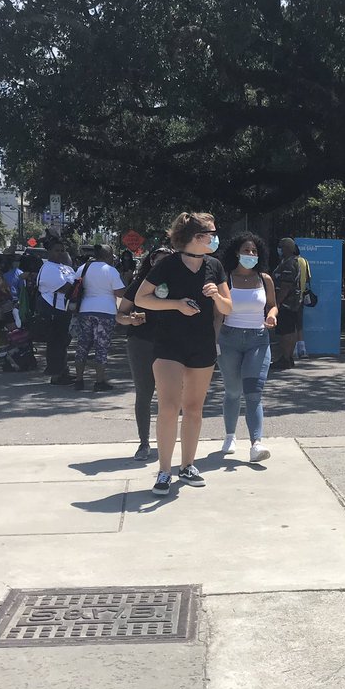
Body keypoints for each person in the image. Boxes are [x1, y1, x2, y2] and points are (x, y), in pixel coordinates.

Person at [135, 212, 232, 496]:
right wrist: (176, 304)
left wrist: (216, 296)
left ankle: (187, 465)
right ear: (196, 237)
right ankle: (164, 470)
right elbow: (142, 298)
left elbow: (228, 308)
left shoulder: (215, 265)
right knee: (168, 405)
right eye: (211, 233)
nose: (215, 238)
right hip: (169, 344)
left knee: (193, 408)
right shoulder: (168, 265)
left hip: (202, 343)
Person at [217, 233, 278, 463]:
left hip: (258, 340)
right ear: (236, 252)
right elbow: (217, 314)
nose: (251, 254)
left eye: (254, 251)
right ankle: (230, 435)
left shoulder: (265, 279)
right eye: (246, 250)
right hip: (229, 339)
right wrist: (214, 342)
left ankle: (256, 444)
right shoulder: (226, 279)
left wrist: (272, 316)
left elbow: (272, 306)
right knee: (233, 391)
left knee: (253, 393)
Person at [116, 247, 173, 461]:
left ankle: (166, 440)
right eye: (159, 260)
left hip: (171, 343)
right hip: (141, 342)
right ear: (151, 261)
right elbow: (120, 315)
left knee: (171, 395)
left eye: (169, 261)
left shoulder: (181, 285)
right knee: (144, 392)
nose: (163, 265)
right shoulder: (139, 285)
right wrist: (130, 319)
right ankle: (144, 443)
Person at [72, 245, 127, 392]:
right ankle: (99, 381)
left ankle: (78, 380)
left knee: (82, 345)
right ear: (108, 255)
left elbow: (75, 286)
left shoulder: (83, 268)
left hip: (85, 309)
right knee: (101, 347)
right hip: (105, 311)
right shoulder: (111, 271)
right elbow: (120, 292)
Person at [24, 240, 77, 385]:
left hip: (64, 309)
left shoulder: (65, 268)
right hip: (52, 309)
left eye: (62, 250)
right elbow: (65, 287)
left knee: (63, 342)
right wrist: (74, 282)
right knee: (55, 343)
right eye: (57, 250)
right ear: (49, 252)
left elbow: (76, 282)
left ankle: (63, 371)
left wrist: (74, 282)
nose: (60, 253)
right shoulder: (47, 268)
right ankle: (56, 374)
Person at [272, 237, 303, 370]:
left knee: (287, 332)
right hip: (289, 304)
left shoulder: (289, 264)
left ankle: (286, 358)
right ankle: (286, 358)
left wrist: (277, 303)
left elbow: (286, 286)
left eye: (281, 246)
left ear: (287, 248)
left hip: (287, 304)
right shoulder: (286, 261)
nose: (279, 249)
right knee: (288, 330)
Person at [294, 247, 311, 360]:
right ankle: (302, 349)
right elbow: (309, 278)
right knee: (299, 324)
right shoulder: (304, 261)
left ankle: (293, 350)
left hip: (290, 297)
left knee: (290, 325)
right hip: (301, 296)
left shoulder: (290, 262)